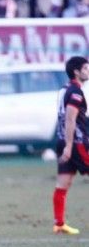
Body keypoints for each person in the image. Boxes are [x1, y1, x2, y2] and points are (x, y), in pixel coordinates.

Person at [52, 56, 89, 235]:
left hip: (62, 141)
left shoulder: (63, 89)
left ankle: (59, 223)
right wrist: (69, 145)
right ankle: (59, 224)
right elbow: (70, 119)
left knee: (63, 183)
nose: (88, 71)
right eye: (86, 68)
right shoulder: (75, 92)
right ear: (77, 71)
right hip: (76, 143)